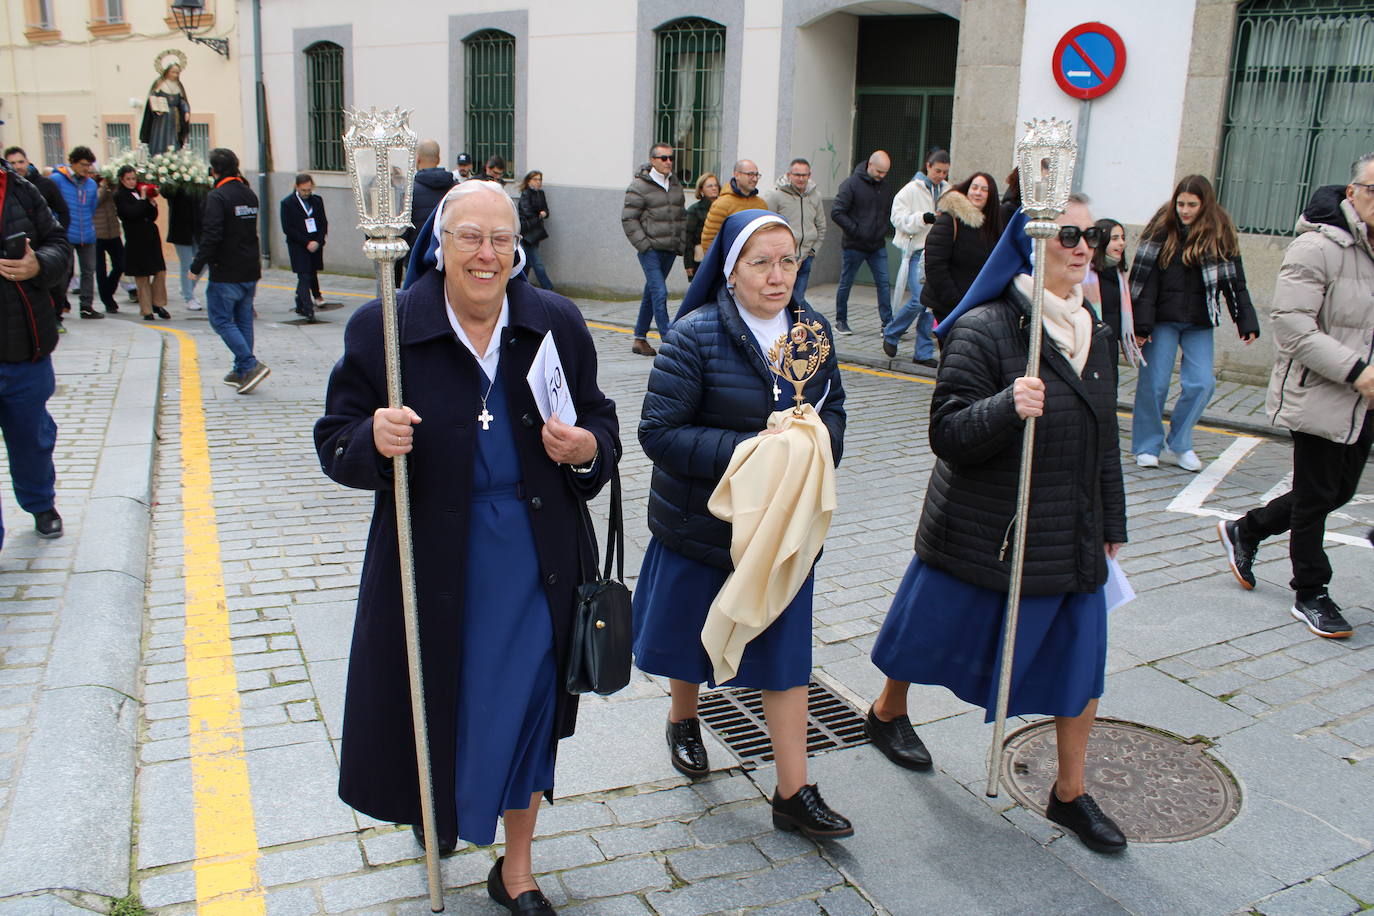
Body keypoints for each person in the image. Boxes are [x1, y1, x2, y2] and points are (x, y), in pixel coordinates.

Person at [315, 179, 620, 916]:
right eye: (470, 238)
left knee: (529, 709)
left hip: (538, 554)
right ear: (440, 244)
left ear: (518, 248)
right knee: (448, 699)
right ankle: (442, 811)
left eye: (502, 240)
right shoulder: (385, 328)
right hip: (435, 560)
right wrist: (370, 439)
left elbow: (602, 424)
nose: (487, 255)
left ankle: (516, 869)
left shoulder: (554, 322)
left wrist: (584, 448)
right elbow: (334, 438)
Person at [868, 199, 1129, 855]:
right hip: (985, 529)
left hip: (1068, 533)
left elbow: (1105, 440)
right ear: (1032, 242)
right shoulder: (986, 328)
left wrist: (1113, 518)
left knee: (1081, 666)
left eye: (1092, 235)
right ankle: (887, 711)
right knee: (925, 637)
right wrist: (1008, 406)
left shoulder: (1092, 330)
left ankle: (1069, 793)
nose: (1083, 246)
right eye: (1068, 234)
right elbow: (947, 432)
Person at [634, 210, 851, 841]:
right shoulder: (693, 336)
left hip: (781, 531)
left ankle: (793, 790)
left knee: (786, 660)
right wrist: (757, 450)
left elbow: (832, 409)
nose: (778, 275)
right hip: (704, 526)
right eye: (761, 262)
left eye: (788, 260)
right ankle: (683, 717)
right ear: (729, 272)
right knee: (691, 640)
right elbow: (659, 433)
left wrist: (815, 445)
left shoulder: (812, 330)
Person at [1218, 157, 1374, 639]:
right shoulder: (1317, 246)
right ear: (1353, 192)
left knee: (1337, 491)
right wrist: (1356, 371)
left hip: (1365, 396)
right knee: (1316, 496)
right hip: (1322, 391)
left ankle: (1248, 528)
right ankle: (1311, 592)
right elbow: (1291, 325)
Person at [1130, 175, 1259, 471]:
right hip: (1162, 319)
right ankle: (1147, 445)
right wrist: (1142, 325)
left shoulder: (1220, 231)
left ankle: (1179, 442)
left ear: (1205, 205)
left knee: (1202, 383)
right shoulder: (1162, 228)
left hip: (1200, 319)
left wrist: (1245, 321)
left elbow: (1235, 280)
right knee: (1154, 384)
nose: (1185, 210)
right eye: (1181, 204)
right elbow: (1145, 279)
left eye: (1192, 205)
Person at [0, 159, 71, 549]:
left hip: (25, 353)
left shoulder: (23, 191)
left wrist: (37, 264)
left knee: (32, 440)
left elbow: (60, 244)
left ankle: (41, 504)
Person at [191, 148, 269, 394]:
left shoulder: (218, 196)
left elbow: (212, 235)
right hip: (249, 268)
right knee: (243, 319)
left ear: (213, 170)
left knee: (222, 320)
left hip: (226, 271)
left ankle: (249, 363)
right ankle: (241, 370)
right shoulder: (248, 193)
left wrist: (196, 266)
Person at [885, 148, 951, 366]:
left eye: (945, 172)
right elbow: (897, 218)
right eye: (938, 170)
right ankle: (892, 332)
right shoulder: (911, 189)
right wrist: (923, 218)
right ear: (928, 166)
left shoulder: (947, 190)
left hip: (937, 252)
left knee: (929, 304)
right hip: (916, 251)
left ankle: (922, 353)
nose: (940, 175)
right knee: (919, 299)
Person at [620, 142, 686, 357]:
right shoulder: (639, 186)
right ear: (652, 161)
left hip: (669, 248)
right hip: (650, 250)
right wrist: (644, 245)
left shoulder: (675, 184)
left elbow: (681, 215)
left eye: (671, 158)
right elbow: (629, 218)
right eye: (663, 158)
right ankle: (668, 340)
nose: (668, 162)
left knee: (651, 293)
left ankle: (639, 339)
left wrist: (680, 242)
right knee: (660, 292)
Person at [921, 172, 1004, 329]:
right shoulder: (949, 220)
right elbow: (934, 265)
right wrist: (955, 301)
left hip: (976, 307)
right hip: (950, 306)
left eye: (984, 189)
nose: (978, 193)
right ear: (967, 189)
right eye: (975, 187)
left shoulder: (992, 225)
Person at [4, 147, 72, 326]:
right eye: (14, 162)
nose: (17, 166)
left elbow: (57, 241)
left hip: (31, 335)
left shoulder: (21, 188)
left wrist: (39, 264)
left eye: (20, 161)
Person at [830, 150, 894, 335]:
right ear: (870, 165)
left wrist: (883, 229)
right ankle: (841, 321)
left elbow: (887, 211)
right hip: (854, 245)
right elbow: (837, 212)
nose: (882, 176)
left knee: (883, 283)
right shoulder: (851, 184)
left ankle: (887, 323)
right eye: (879, 172)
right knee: (846, 283)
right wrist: (856, 230)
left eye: (885, 173)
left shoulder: (885, 186)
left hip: (877, 244)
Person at [764, 158, 827, 307]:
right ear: (789, 175)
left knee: (798, 300)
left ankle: (796, 328)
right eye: (797, 174)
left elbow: (821, 225)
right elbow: (767, 226)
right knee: (781, 298)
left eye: (804, 175)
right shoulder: (775, 195)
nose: (801, 178)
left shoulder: (815, 195)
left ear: (809, 176)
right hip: (783, 258)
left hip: (806, 257)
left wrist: (813, 250)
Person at [49, 147, 101, 321]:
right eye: (84, 165)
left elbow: (92, 208)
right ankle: (59, 303)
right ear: (73, 162)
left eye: (89, 165)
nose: (87, 169)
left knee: (89, 271)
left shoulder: (92, 184)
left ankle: (86, 307)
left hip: (87, 233)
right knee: (65, 271)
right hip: (65, 233)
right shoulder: (57, 180)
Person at [113, 166, 171, 322]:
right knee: (142, 275)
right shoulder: (120, 195)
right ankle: (146, 310)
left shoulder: (140, 193)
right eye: (129, 179)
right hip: (136, 237)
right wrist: (144, 199)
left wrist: (152, 203)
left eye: (134, 178)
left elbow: (152, 216)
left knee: (160, 270)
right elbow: (131, 213)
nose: (132, 182)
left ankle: (157, 303)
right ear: (122, 180)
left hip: (150, 236)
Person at [280, 173, 329, 323]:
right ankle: (308, 310)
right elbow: (288, 228)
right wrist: (306, 242)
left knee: (310, 273)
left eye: (309, 190)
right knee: (304, 275)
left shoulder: (317, 201)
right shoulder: (288, 203)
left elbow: (323, 223)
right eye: (303, 190)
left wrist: (318, 241)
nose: (306, 193)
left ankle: (300, 302)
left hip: (315, 243)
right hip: (299, 245)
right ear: (297, 188)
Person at [699, 159, 767, 252]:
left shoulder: (761, 204)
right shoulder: (721, 204)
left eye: (756, 175)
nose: (755, 179)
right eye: (750, 174)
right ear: (737, 175)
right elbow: (709, 240)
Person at [409, 140, 454, 257]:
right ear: (438, 159)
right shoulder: (456, 189)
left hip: (417, 258)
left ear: (417, 159)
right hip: (448, 257)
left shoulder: (409, 192)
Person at [140, 54, 191, 153]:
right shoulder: (160, 83)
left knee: (173, 136)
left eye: (177, 73)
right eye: (173, 72)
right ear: (167, 72)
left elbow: (182, 101)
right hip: (161, 116)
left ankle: (173, 153)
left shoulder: (178, 85)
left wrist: (186, 111)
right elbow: (153, 98)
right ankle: (158, 153)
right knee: (160, 135)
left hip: (174, 116)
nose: (175, 75)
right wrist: (156, 109)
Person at [165, 186, 204, 311]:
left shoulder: (199, 186)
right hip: (180, 231)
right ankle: (189, 297)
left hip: (197, 230)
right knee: (186, 264)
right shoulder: (175, 187)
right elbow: (165, 192)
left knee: (204, 261)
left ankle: (187, 287)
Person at [517, 170, 554, 291]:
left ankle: (521, 287)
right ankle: (548, 288)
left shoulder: (541, 194)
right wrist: (539, 214)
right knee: (537, 263)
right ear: (529, 181)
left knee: (527, 263)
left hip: (537, 232)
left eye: (540, 179)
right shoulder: (526, 194)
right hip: (527, 232)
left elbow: (546, 211)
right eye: (535, 179)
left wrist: (542, 214)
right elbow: (527, 212)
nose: (538, 182)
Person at [683, 173, 720, 281]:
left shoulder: (724, 207)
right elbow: (687, 238)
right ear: (701, 190)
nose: (714, 188)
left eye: (716, 185)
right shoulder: (694, 210)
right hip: (701, 257)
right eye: (710, 186)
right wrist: (688, 263)